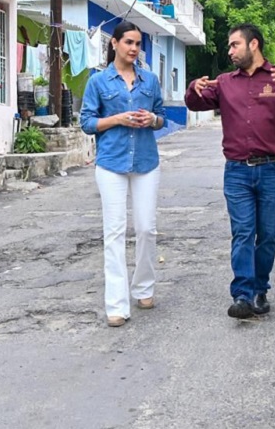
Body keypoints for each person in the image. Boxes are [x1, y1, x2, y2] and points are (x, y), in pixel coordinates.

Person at [185, 23, 275, 319]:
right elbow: (194, 103)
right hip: (236, 171)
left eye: (234, 44)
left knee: (269, 234)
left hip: (273, 170)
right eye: (229, 45)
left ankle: (261, 288)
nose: (230, 51)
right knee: (243, 232)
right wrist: (193, 88)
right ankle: (243, 295)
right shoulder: (225, 82)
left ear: (254, 45)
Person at [80, 21, 166, 327]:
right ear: (114, 43)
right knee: (114, 232)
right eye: (128, 42)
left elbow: (161, 119)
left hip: (145, 161)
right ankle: (116, 304)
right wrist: (117, 118)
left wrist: (151, 119)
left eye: (138, 43)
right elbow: (87, 123)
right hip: (111, 163)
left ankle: (144, 287)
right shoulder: (99, 82)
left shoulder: (150, 80)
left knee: (146, 229)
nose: (134, 48)